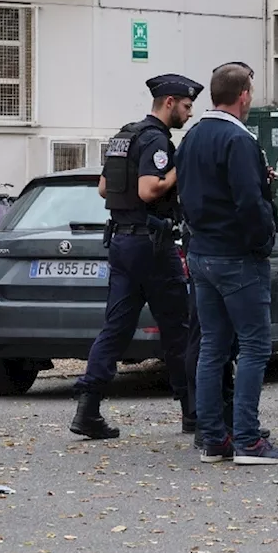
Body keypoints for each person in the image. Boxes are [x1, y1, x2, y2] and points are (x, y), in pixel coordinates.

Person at [178, 62, 278, 465]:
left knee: (213, 347)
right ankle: (248, 439)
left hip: (201, 252)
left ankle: (214, 438)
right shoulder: (239, 139)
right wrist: (262, 241)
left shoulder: (192, 136)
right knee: (253, 346)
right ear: (244, 95)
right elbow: (250, 201)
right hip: (236, 255)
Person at [70, 74, 201, 440]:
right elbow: (148, 189)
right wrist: (180, 167)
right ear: (170, 102)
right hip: (153, 246)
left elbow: (102, 188)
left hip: (123, 243)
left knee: (115, 328)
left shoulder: (124, 135)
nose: (190, 114)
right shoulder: (157, 139)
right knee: (178, 330)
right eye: (187, 106)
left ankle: (88, 407)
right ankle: (192, 412)